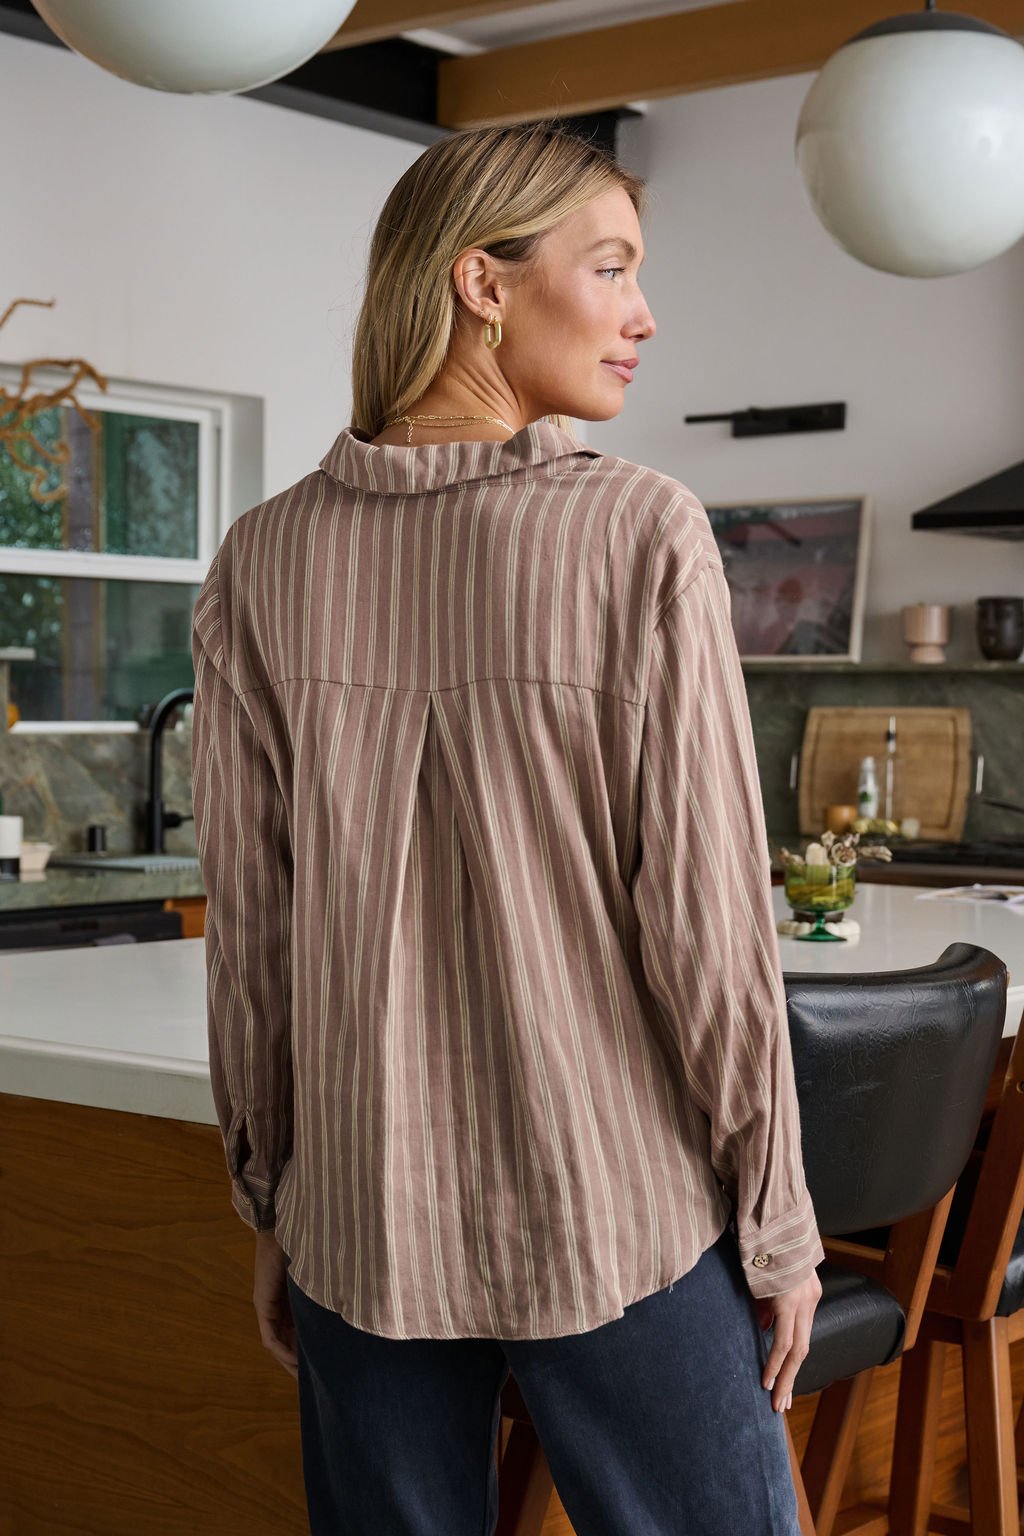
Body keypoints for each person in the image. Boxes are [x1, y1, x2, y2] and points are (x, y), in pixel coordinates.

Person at [190, 118, 824, 1536]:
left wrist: (274, 1195)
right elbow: (710, 932)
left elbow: (253, 938)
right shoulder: (642, 535)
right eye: (610, 268)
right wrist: (778, 1223)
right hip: (615, 1214)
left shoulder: (263, 562)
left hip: (361, 1219)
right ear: (483, 281)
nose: (642, 315)